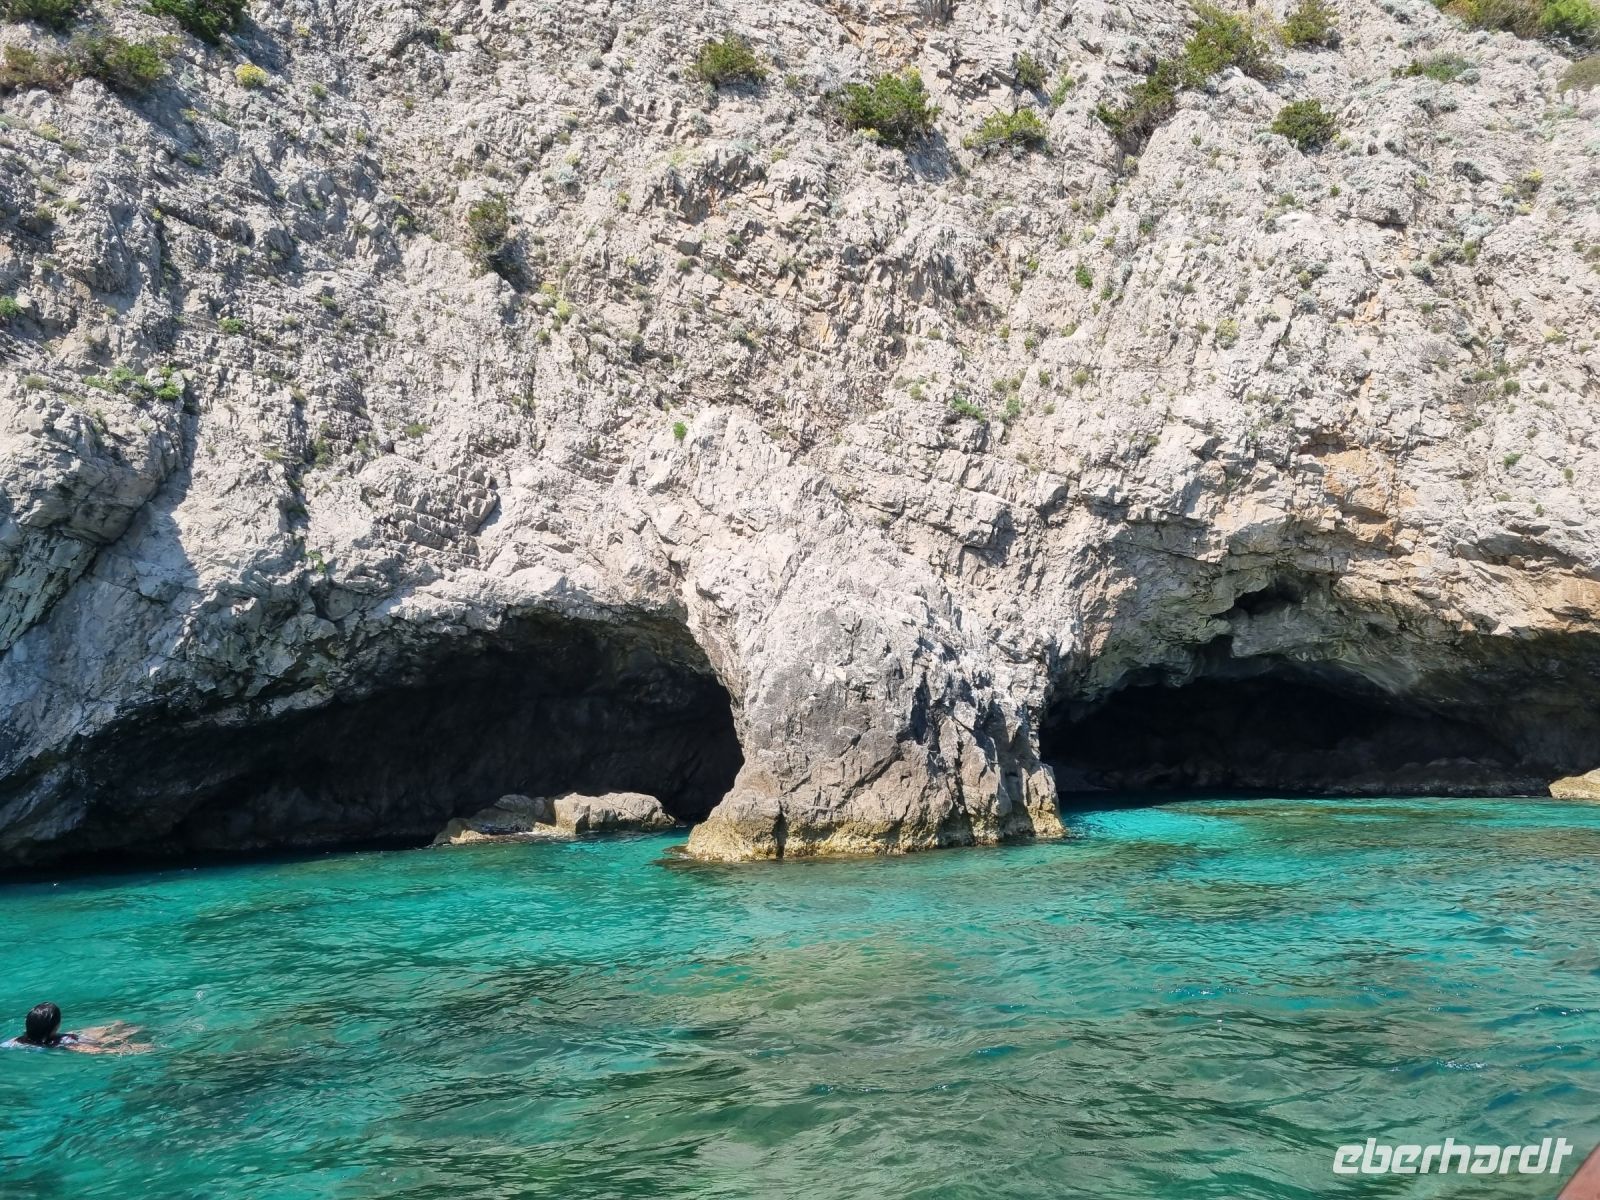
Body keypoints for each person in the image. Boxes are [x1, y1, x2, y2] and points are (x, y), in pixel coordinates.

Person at [2, 1003, 143, 1054]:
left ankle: (117, 1028)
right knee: (112, 1036)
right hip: (74, 1041)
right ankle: (123, 1029)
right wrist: (132, 1050)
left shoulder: (15, 1042)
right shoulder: (62, 1043)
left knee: (93, 1033)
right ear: (56, 1026)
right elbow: (98, 1050)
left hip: (68, 1039)